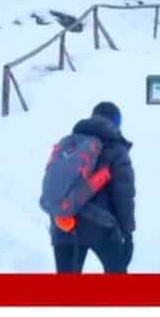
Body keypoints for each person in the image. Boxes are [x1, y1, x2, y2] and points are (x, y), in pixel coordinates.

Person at [50, 101, 136, 274]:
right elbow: (123, 196)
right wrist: (127, 233)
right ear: (116, 122)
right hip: (102, 228)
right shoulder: (117, 150)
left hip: (64, 223)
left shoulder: (68, 144)